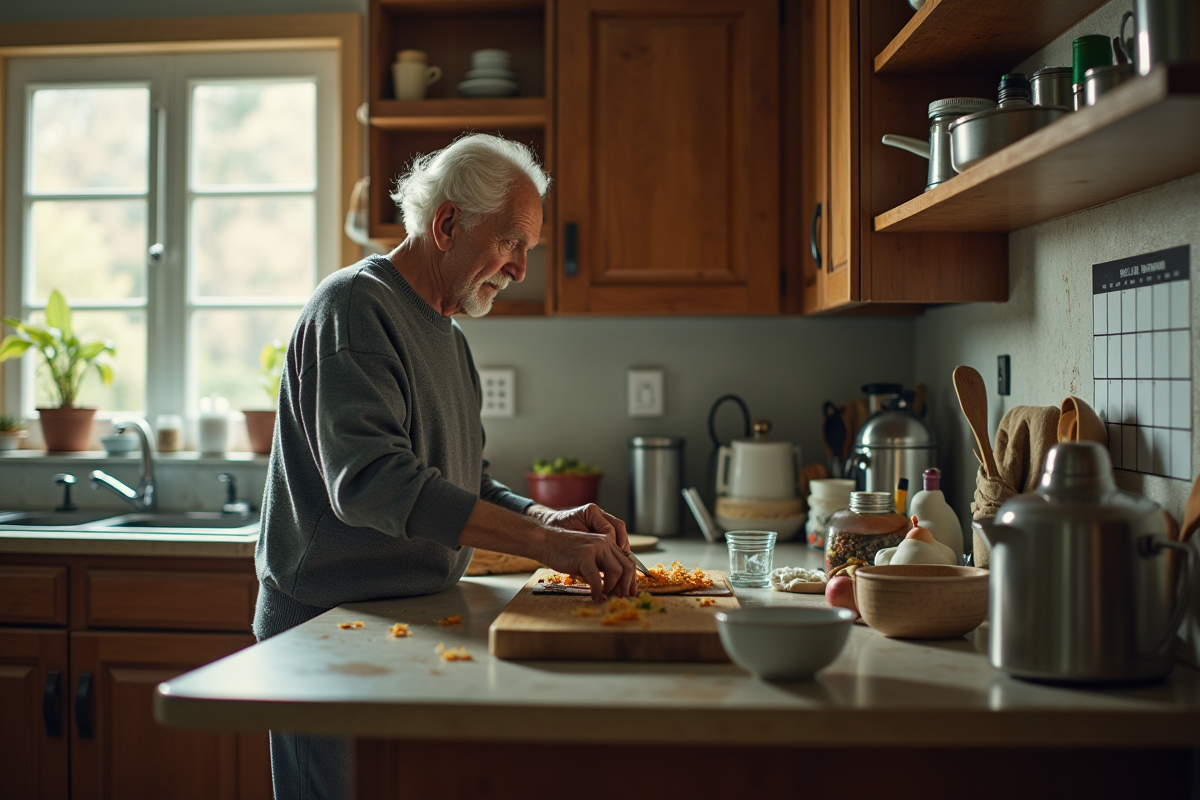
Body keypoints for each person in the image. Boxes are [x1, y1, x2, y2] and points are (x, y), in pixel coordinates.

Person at [252, 133, 637, 798]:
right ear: (448, 223)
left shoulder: (450, 338)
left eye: (528, 250)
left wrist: (551, 516)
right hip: (330, 629)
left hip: (413, 619)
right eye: (511, 243)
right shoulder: (354, 307)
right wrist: (547, 545)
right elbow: (372, 484)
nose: (520, 269)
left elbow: (468, 481)